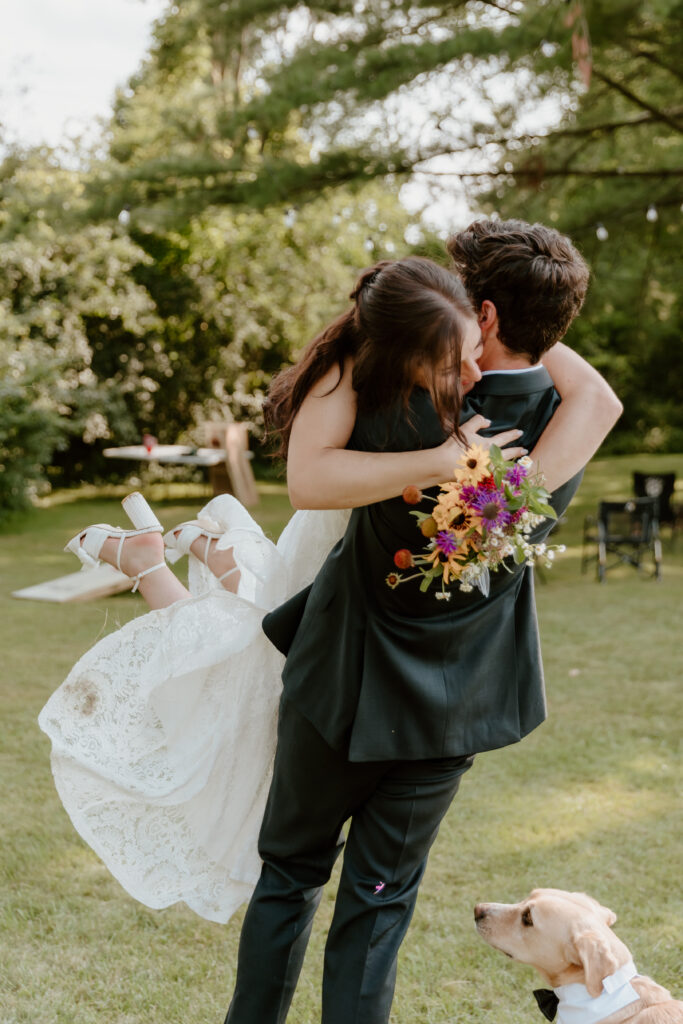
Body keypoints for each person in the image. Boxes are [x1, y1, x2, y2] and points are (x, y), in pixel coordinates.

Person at [37, 231, 620, 1022]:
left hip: (339, 683)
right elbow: (595, 390)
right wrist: (538, 316)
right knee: (377, 905)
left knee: (290, 876)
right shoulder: (566, 417)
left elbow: (310, 479)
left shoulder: (399, 388)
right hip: (451, 709)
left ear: (477, 313)